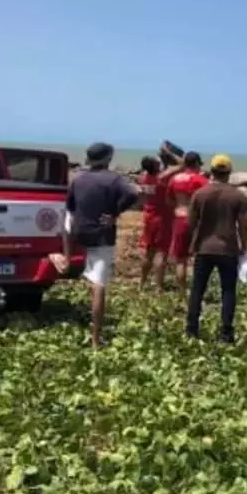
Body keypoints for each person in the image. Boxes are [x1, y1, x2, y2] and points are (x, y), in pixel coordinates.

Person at [50, 142, 138, 348]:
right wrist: (115, 213)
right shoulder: (114, 179)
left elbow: (68, 216)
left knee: (79, 264)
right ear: (108, 158)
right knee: (100, 286)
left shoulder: (78, 180)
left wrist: (68, 252)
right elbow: (134, 193)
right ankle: (96, 339)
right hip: (101, 235)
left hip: (79, 233)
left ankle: (64, 261)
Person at [185, 153, 247, 342]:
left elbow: (191, 223)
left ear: (211, 171)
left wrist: (191, 245)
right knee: (228, 291)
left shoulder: (199, 194)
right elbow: (243, 225)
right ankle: (226, 333)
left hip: (203, 248)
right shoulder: (237, 195)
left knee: (197, 290)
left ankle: (191, 330)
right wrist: (244, 246)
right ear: (229, 172)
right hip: (228, 249)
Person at [136, 154, 183, 290]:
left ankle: (142, 283)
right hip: (163, 217)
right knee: (162, 252)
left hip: (149, 216)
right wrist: (168, 151)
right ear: (156, 166)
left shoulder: (142, 178)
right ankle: (158, 286)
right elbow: (181, 164)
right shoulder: (161, 178)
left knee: (149, 251)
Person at [167, 151, 210, 288]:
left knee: (181, 260)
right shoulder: (201, 180)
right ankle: (198, 291)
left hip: (180, 217)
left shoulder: (174, 179)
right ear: (197, 164)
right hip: (198, 221)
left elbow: (169, 200)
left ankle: (181, 293)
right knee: (200, 258)